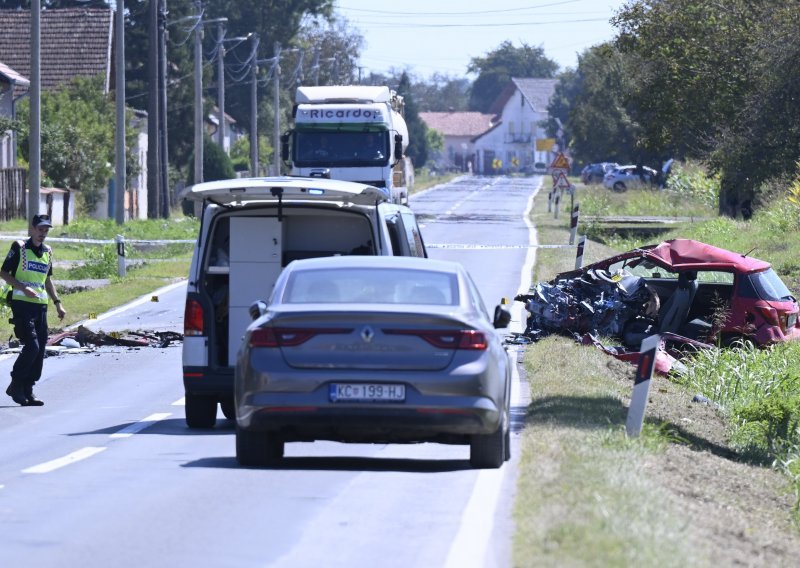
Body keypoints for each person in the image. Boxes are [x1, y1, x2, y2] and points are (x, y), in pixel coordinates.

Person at [1, 214, 66, 406]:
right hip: (22, 304)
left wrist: (57, 303)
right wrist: (22, 288)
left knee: (40, 350)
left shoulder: (47, 251)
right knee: (32, 346)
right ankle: (16, 384)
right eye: (40, 229)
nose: (43, 234)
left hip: (41, 306)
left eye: (46, 230)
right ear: (32, 229)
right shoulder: (19, 247)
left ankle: (28, 390)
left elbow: (47, 279)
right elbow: (3, 272)